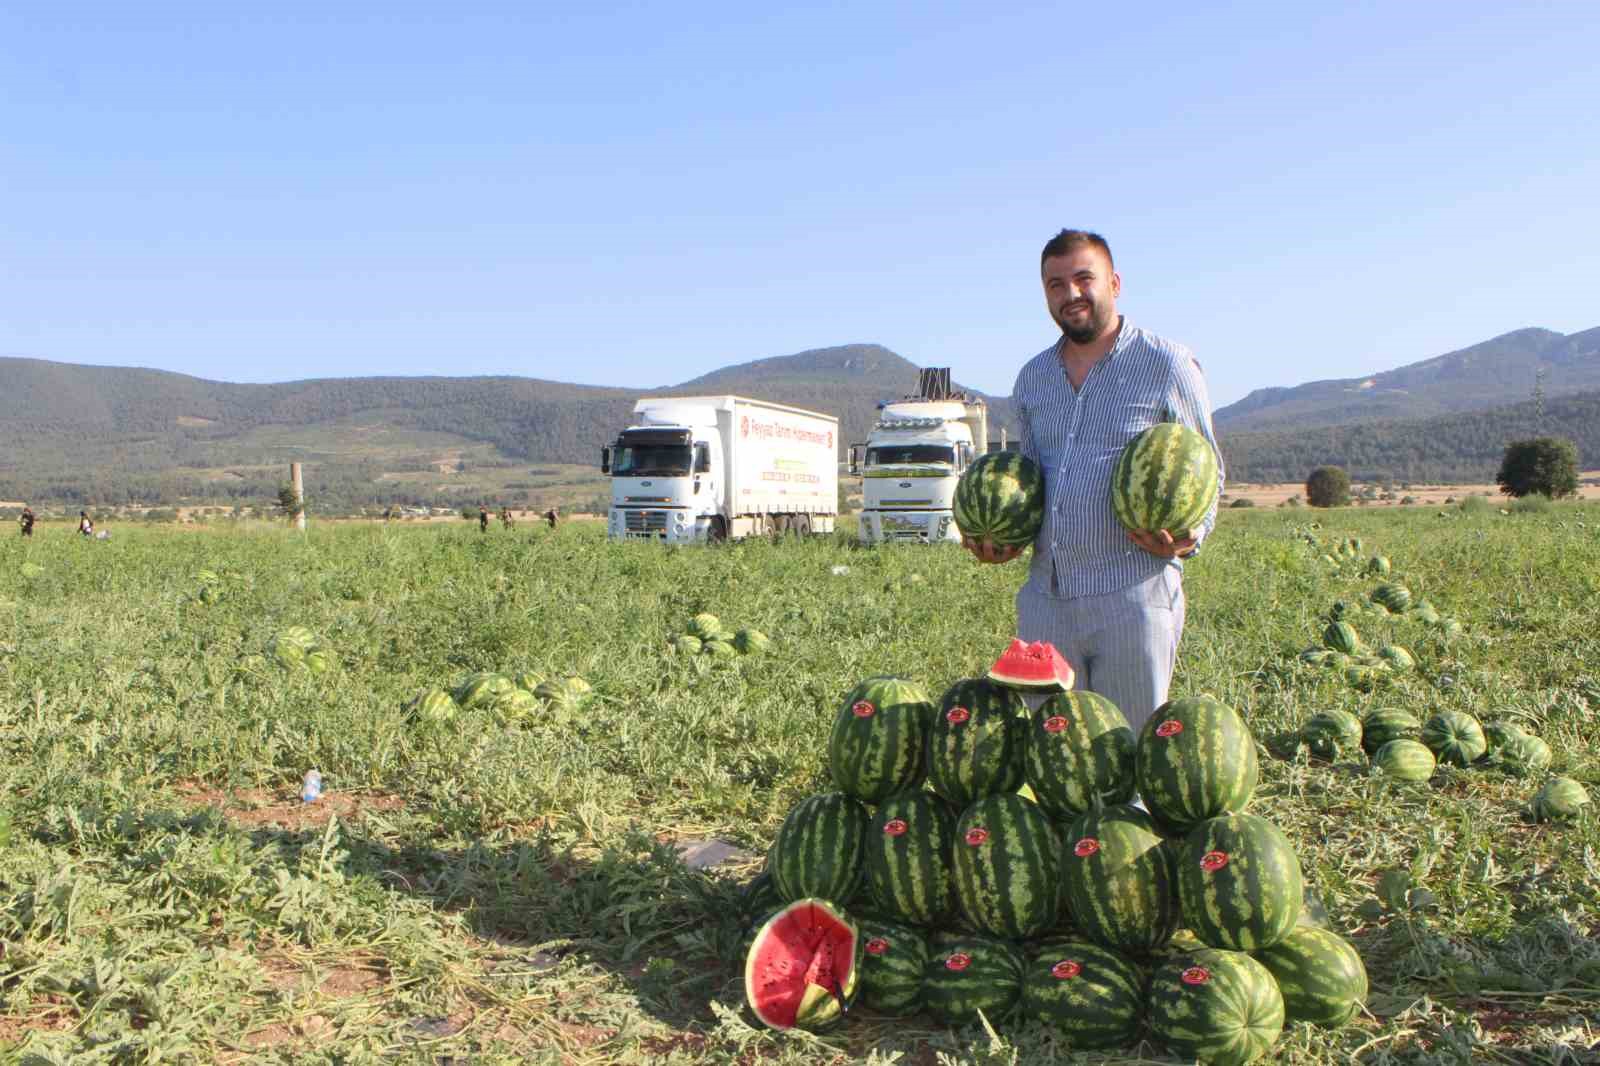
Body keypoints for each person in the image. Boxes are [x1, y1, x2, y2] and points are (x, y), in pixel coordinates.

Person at [964, 229, 1223, 735]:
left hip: (1132, 591)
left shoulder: (1166, 363)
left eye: (1085, 279)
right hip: (1047, 597)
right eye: (1056, 284)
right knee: (1054, 759)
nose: (1071, 294)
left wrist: (1192, 536)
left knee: (1128, 755)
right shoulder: (1032, 378)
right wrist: (1003, 537)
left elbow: (1205, 464)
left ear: (1115, 283)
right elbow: (1030, 477)